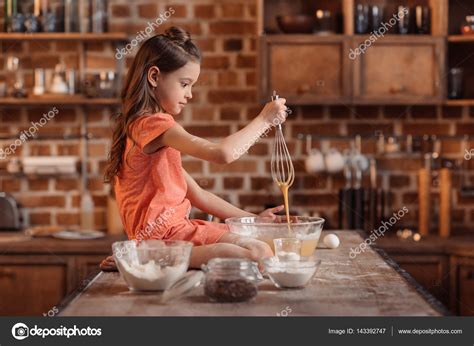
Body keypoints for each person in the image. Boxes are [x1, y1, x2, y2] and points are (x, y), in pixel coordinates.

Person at [101, 27, 288, 270]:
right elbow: (221, 154)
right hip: (163, 240)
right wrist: (265, 120)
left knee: (261, 249)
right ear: (154, 77)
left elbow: (199, 195)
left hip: (178, 232)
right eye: (184, 83)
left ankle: (142, 256)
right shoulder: (153, 125)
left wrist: (254, 222)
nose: (189, 94)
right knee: (255, 254)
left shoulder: (146, 132)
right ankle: (143, 257)